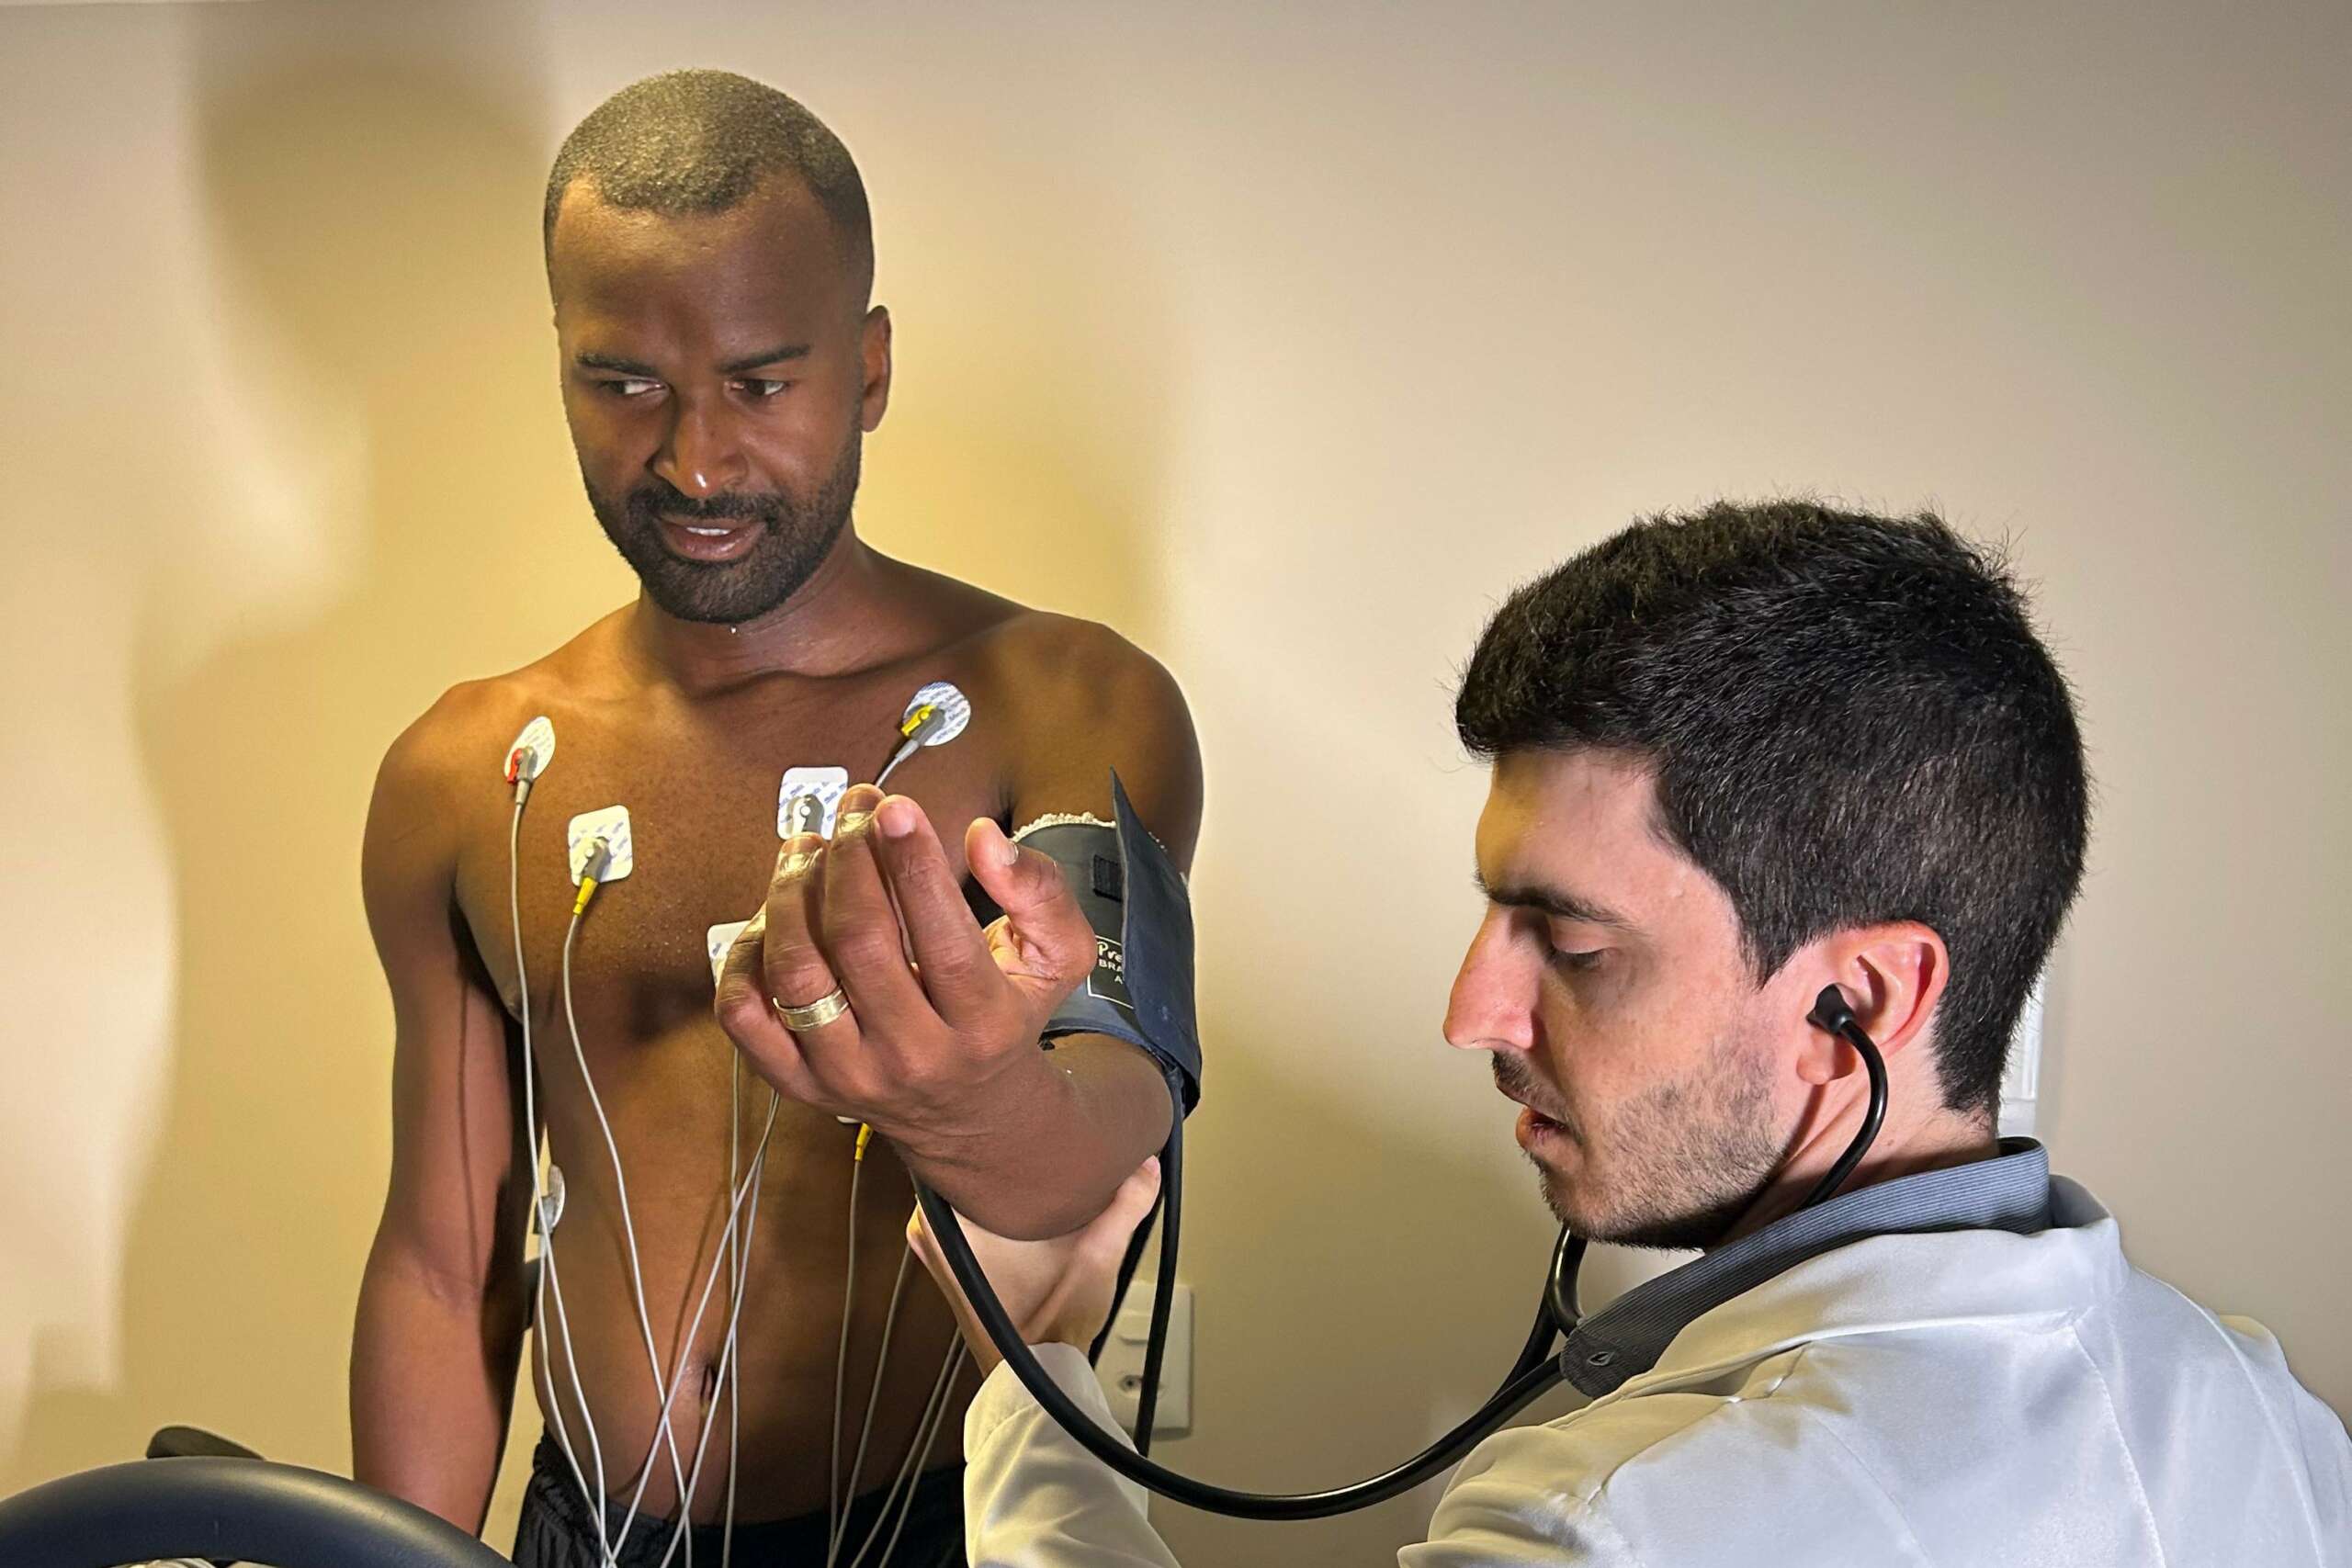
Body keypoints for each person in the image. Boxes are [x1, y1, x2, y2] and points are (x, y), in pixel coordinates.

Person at [744, 501, 2352, 1564]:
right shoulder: (2269, 1430)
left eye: (1572, 946)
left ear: (1858, 1001)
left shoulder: (1624, 1530)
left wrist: (1037, 1393)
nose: (1473, 1012)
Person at [349, 69, 1201, 1568]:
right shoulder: (465, 771)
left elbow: (1112, 1124)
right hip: (578, 1533)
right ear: (561, 367)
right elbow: (441, 1262)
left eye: (760, 381)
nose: (694, 463)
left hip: (932, 1531)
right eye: (624, 385)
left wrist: (965, 1101)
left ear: (867, 370)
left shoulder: (1069, 702)